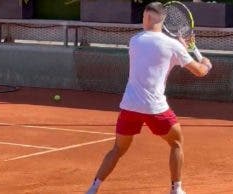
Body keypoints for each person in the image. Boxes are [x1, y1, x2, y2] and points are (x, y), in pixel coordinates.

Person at [86, 2, 212, 194]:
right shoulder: (173, 46)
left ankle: (93, 188)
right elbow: (200, 72)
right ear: (163, 20)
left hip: (130, 106)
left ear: (148, 19)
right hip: (155, 108)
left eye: (144, 17)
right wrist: (205, 63)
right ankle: (176, 189)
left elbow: (156, 52)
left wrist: (180, 49)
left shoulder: (135, 41)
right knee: (176, 143)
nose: (142, 20)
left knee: (117, 149)